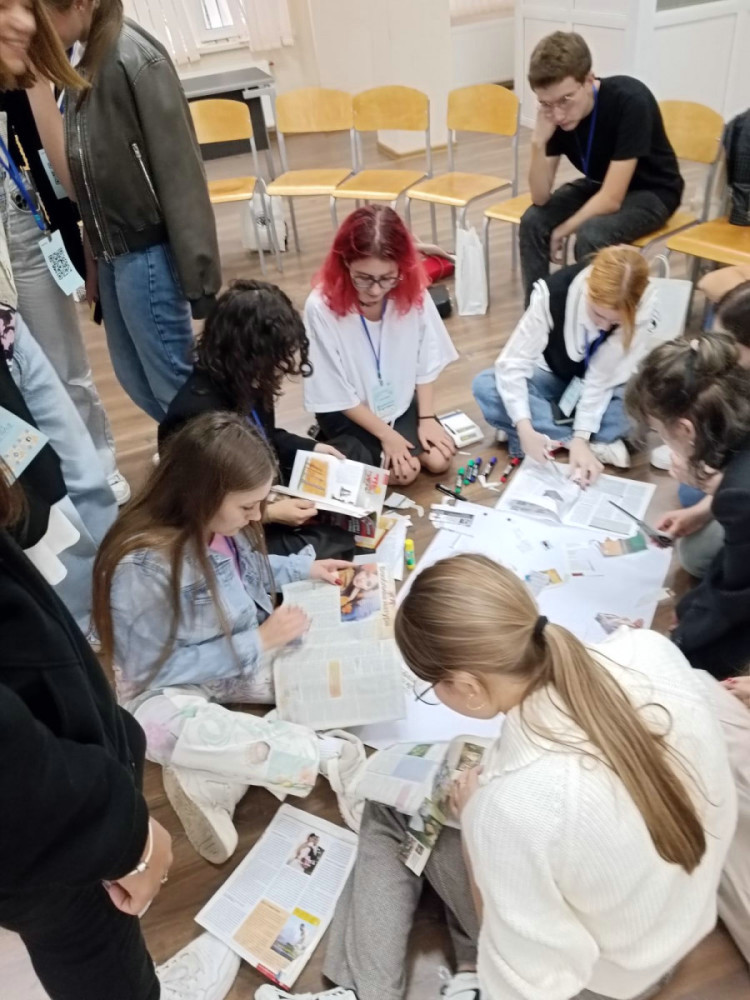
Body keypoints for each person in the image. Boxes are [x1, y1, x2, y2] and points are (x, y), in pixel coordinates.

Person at [260, 553, 736, 1000]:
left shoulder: (512, 804)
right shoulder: (647, 647)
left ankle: (363, 991)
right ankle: (459, 966)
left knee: (388, 807)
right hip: (673, 927)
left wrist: (476, 838)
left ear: (468, 686)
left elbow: (529, 983)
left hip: (601, 981)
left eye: (432, 686)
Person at [0, 464, 241, 1000]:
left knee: (86, 938)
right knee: (90, 937)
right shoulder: (146, 563)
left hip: (67, 782)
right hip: (51, 826)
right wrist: (125, 836)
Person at [92, 412, 367, 864]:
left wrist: (302, 568)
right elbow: (150, 670)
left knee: (328, 681)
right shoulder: (142, 567)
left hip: (235, 656)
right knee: (161, 729)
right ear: (202, 495)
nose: (259, 516)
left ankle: (213, 783)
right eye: (248, 507)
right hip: (161, 689)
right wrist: (258, 642)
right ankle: (327, 755)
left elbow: (248, 570)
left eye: (262, 503)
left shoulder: (227, 527)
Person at [42, 0, 221, 421]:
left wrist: (201, 284)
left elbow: (182, 174)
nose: (39, 32)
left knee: (176, 388)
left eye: (44, 17)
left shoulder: (135, 57)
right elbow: (90, 171)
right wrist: (92, 244)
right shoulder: (85, 56)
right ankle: (190, 450)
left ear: (80, 4)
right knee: (135, 379)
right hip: (114, 253)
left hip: (148, 252)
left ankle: (222, 458)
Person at [160, 279, 371, 559]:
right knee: (333, 541)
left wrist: (312, 448)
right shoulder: (196, 415)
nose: (280, 370)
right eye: (274, 362)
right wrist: (269, 513)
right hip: (235, 523)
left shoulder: (249, 380)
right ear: (246, 356)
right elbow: (200, 509)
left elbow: (265, 436)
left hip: (264, 483)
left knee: (350, 451)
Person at [0, 83, 129, 502]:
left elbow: (55, 148)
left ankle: (99, 467)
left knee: (63, 364)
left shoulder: (20, 63)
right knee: (7, 382)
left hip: (23, 210)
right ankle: (35, 488)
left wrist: (83, 233)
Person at [472, 245, 660, 482]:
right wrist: (524, 427)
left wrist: (581, 437)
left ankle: (547, 430)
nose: (604, 327)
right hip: (554, 378)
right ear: (588, 290)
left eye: (615, 322)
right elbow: (512, 364)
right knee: (486, 384)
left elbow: (601, 379)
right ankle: (586, 442)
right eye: (598, 314)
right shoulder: (552, 295)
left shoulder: (643, 300)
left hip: (605, 387)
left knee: (641, 400)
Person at [520, 31, 683, 303]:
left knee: (592, 234)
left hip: (653, 192)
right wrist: (538, 142)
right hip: (599, 184)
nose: (558, 114)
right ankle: (536, 313)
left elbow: (611, 198)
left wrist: (562, 229)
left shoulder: (630, 99)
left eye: (565, 100)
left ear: (588, 80)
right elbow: (540, 197)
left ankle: (588, 316)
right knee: (533, 221)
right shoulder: (554, 116)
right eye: (546, 103)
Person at [303, 205, 458, 486]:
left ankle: (387, 439)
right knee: (404, 473)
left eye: (387, 278)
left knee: (439, 460)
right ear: (344, 263)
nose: (375, 290)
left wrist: (427, 417)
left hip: (396, 401)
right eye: (363, 278)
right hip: (348, 410)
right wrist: (387, 436)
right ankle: (333, 437)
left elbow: (426, 357)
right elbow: (334, 389)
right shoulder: (319, 307)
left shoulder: (411, 289)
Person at [626, 332, 750, 678]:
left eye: (658, 431)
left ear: (685, 430)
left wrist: (683, 638)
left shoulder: (739, 496)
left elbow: (736, 594)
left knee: (696, 661)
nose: (661, 440)